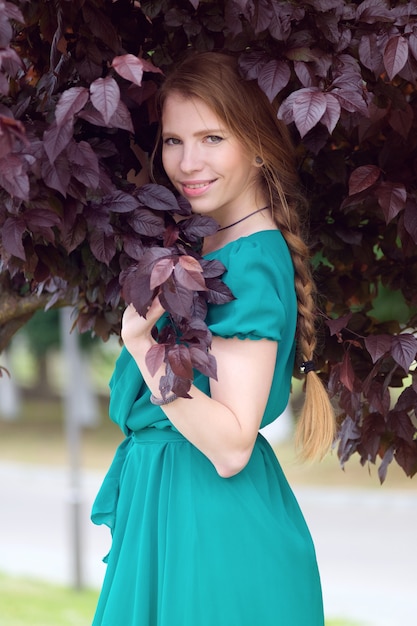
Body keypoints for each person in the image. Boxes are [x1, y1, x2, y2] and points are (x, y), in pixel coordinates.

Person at [91, 51, 335, 626]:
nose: (187, 162)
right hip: (178, 517)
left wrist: (143, 350)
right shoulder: (215, 254)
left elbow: (230, 446)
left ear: (255, 146)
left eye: (211, 137)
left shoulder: (246, 265)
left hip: (212, 531)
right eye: (173, 141)